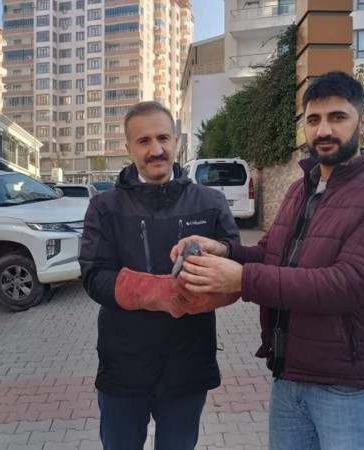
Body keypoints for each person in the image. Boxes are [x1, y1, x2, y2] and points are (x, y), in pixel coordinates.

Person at [171, 71, 364, 449]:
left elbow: (348, 285)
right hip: (289, 377)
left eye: (338, 117)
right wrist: (225, 250)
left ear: (363, 122)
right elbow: (272, 256)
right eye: (313, 119)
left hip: (347, 388)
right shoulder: (300, 190)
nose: (324, 130)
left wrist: (242, 279)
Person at [78, 101, 240, 449]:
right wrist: (158, 292)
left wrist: (209, 285)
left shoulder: (211, 202)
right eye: (144, 141)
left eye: (163, 138)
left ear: (177, 141)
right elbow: (94, 276)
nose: (156, 150)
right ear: (129, 148)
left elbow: (235, 269)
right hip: (124, 364)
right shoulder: (104, 207)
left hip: (188, 363)